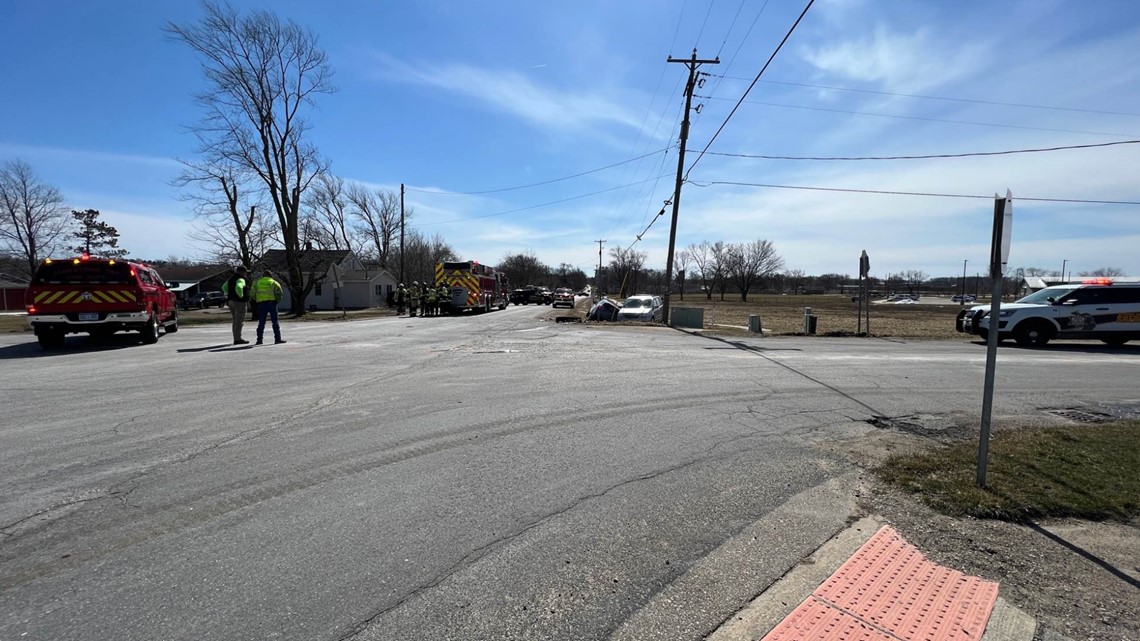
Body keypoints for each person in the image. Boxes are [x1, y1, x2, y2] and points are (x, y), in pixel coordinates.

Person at [251, 269, 286, 345]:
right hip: (272, 303)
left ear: (263, 275)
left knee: (261, 322)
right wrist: (277, 300)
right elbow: (279, 292)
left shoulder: (257, 282)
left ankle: (259, 340)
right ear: (270, 275)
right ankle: (277, 339)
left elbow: (252, 293)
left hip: (261, 304)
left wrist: (257, 299)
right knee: (275, 322)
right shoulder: (273, 282)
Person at [221, 265, 250, 344]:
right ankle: (237, 339)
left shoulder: (230, 279)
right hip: (239, 302)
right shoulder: (241, 279)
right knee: (239, 321)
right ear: (242, 272)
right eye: (245, 273)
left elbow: (224, 287)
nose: (246, 274)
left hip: (231, 301)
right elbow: (239, 287)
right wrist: (241, 296)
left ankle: (236, 337)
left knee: (235, 320)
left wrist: (227, 294)